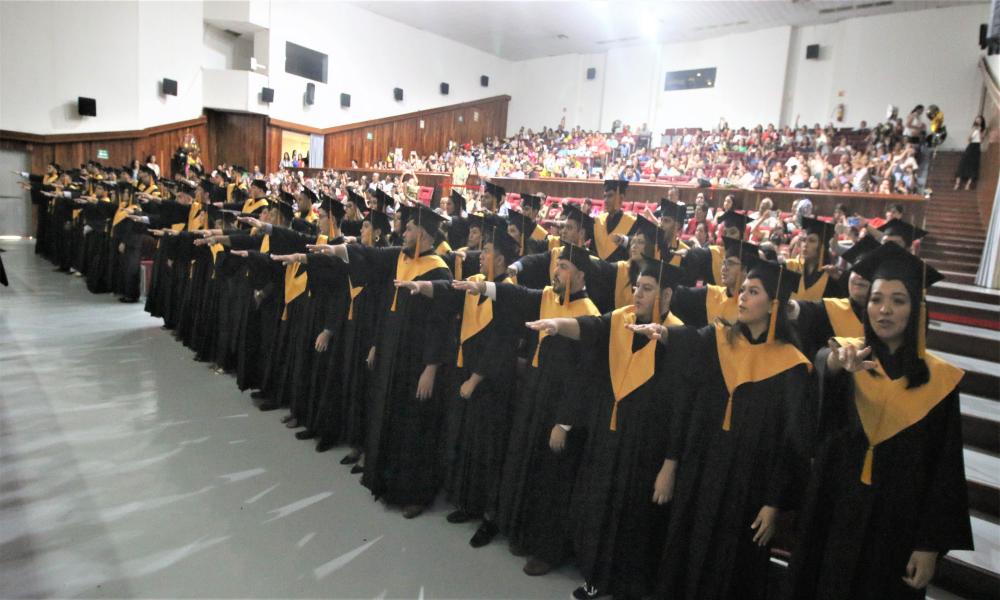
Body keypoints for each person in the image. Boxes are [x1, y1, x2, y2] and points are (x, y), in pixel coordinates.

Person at [788, 242, 972, 599]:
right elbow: (808, 420)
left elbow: (944, 469)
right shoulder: (844, 357)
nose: (884, 310)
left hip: (895, 526)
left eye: (898, 300)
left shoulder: (940, 382)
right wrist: (833, 366)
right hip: (834, 512)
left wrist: (928, 545)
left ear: (916, 309)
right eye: (876, 299)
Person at [654, 260, 812, 600]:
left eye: (753, 292)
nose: (741, 297)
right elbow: (686, 361)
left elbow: (792, 444)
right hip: (700, 472)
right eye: (742, 290)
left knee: (733, 565)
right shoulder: (717, 341)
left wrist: (774, 502)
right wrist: (672, 462)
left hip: (749, 488)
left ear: (773, 306)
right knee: (687, 547)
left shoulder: (792, 366)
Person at [534, 258, 690, 600]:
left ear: (666, 295)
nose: (638, 293)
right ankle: (596, 576)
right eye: (636, 287)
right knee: (599, 506)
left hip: (645, 447)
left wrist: (670, 463)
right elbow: (589, 326)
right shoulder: (622, 319)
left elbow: (681, 409)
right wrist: (557, 324)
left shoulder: (678, 339)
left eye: (647, 289)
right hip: (608, 435)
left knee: (633, 517)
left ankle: (626, 585)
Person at [489, 242, 601, 576]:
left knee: (553, 479)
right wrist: (484, 286)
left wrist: (564, 423)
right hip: (536, 395)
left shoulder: (589, 316)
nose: (556, 271)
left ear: (580, 275)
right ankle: (521, 532)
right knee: (528, 463)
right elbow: (517, 295)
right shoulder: (548, 298)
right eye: (556, 265)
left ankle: (548, 550)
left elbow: (585, 379)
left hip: (559, 408)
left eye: (564, 266)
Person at [593, 180, 637, 262]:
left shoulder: (631, 222)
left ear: (621, 198)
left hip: (619, 273)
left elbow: (636, 246)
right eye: (604, 196)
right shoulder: (598, 221)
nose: (605, 200)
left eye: (610, 196)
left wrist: (625, 240)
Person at [954, 116, 985, 190]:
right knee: (962, 163)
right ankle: (957, 184)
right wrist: (973, 131)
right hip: (970, 147)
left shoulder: (983, 130)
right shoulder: (973, 128)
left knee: (974, 166)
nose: (977, 121)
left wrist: (979, 131)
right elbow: (968, 140)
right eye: (976, 120)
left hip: (976, 148)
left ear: (982, 121)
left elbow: (981, 141)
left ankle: (968, 185)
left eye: (979, 120)